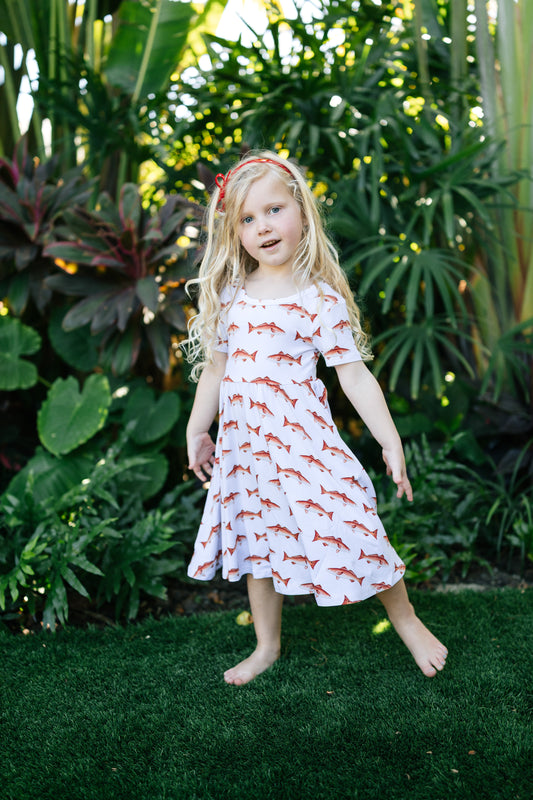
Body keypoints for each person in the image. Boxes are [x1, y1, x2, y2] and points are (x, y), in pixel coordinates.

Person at [183, 150, 448, 686]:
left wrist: (390, 441)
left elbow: (353, 376)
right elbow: (215, 371)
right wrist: (197, 429)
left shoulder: (316, 299)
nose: (263, 227)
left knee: (355, 526)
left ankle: (408, 621)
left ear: (301, 210)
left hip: (304, 447)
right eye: (248, 219)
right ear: (235, 233)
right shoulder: (232, 296)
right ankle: (266, 646)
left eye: (274, 210)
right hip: (247, 452)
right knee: (258, 545)